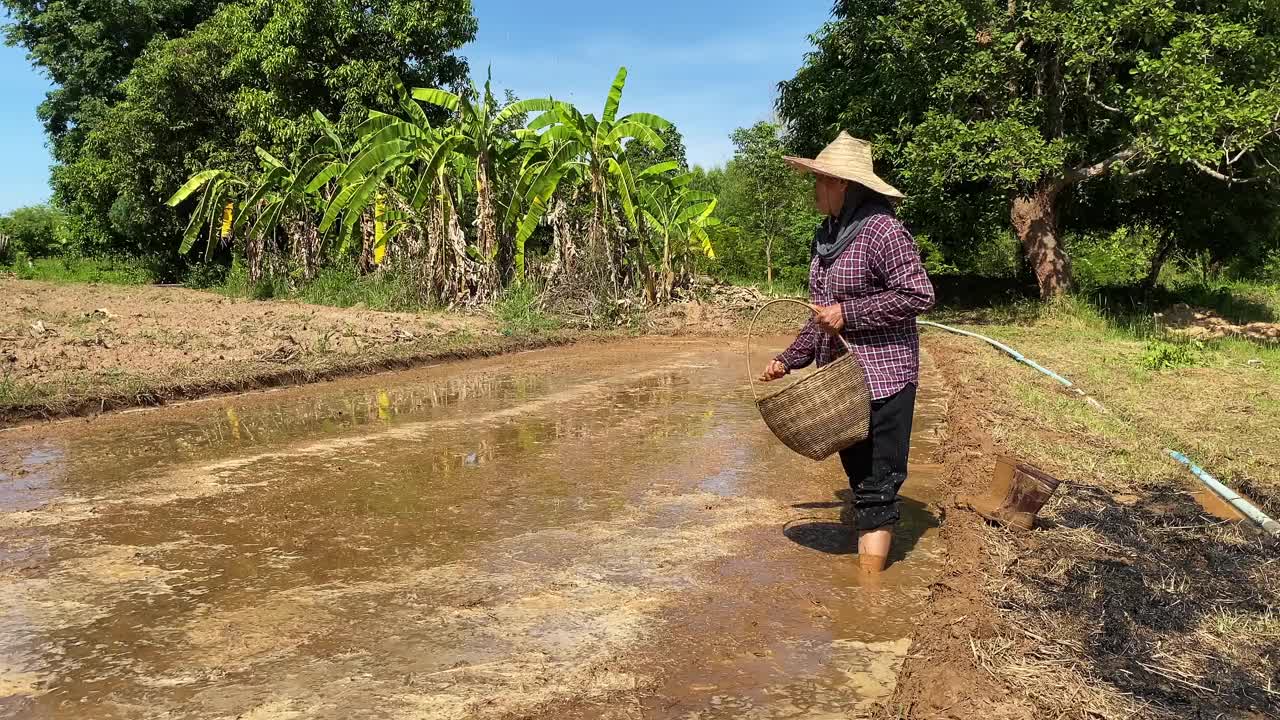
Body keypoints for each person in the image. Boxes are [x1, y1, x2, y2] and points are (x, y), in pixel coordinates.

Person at [759, 131, 935, 574]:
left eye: (819, 179)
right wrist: (789, 359)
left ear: (842, 184)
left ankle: (869, 597)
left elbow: (918, 295)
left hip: (885, 378)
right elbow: (821, 315)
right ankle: (869, 581)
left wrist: (850, 313)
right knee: (860, 483)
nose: (814, 187)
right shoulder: (826, 239)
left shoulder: (883, 230)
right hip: (844, 386)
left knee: (877, 488)